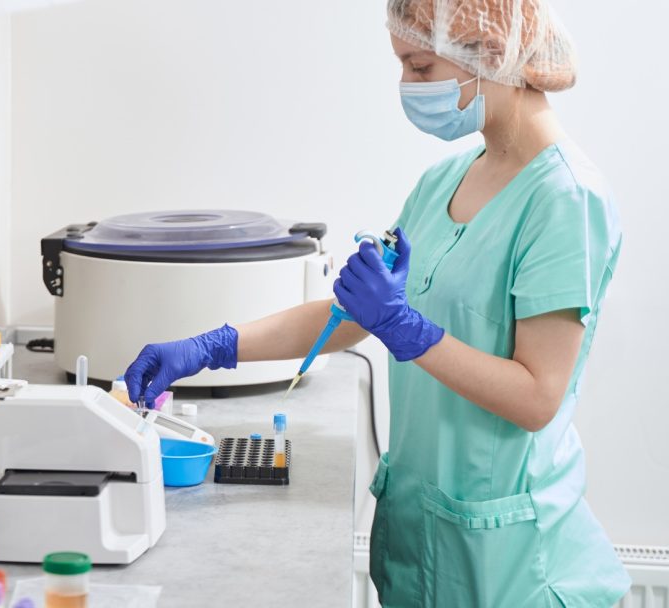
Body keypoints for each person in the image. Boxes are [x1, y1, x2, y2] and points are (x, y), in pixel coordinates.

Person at [123, 0, 630, 605]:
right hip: (426, 535)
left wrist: (405, 328)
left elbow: (537, 398)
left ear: (492, 55)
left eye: (419, 67)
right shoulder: (445, 180)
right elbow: (352, 316)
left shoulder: (564, 201)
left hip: (514, 563)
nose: (406, 87)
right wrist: (213, 347)